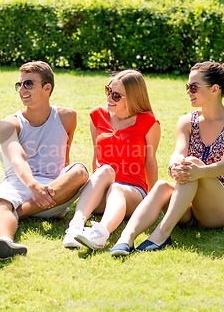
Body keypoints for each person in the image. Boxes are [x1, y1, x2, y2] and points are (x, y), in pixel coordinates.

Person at [110, 61, 224, 256]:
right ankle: (126, 238)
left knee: (192, 164)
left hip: (221, 206)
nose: (188, 92)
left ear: (215, 89)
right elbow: (179, 152)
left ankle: (161, 235)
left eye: (194, 87)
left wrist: (198, 171)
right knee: (160, 186)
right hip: (188, 202)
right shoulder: (186, 121)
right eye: (187, 87)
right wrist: (174, 164)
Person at [0, 61, 89, 261]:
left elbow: (65, 154)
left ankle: (18, 213)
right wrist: (33, 185)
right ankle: (5, 242)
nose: (22, 89)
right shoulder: (9, 124)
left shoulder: (67, 116)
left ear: (46, 88)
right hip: (21, 184)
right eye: (20, 84)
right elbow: (17, 158)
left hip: (55, 190)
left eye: (28, 84)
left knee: (80, 171)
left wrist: (58, 185)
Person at [62, 70, 161, 250]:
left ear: (132, 98)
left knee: (117, 187)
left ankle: (101, 234)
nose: (109, 97)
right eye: (108, 90)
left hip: (133, 192)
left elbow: (150, 162)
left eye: (116, 95)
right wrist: (94, 189)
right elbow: (96, 157)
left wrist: (153, 202)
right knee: (105, 170)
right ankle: (75, 227)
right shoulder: (97, 115)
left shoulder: (148, 122)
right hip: (102, 193)